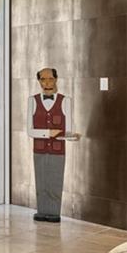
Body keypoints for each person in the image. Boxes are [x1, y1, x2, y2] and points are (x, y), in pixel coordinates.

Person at [26, 68, 79, 222]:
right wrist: (48, 133)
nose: (47, 82)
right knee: (41, 182)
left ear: (56, 79)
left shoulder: (65, 100)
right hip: (39, 149)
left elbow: (67, 130)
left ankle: (54, 213)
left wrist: (72, 137)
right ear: (39, 81)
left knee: (55, 182)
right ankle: (42, 211)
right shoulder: (32, 100)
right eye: (43, 79)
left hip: (58, 150)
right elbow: (30, 131)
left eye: (50, 79)